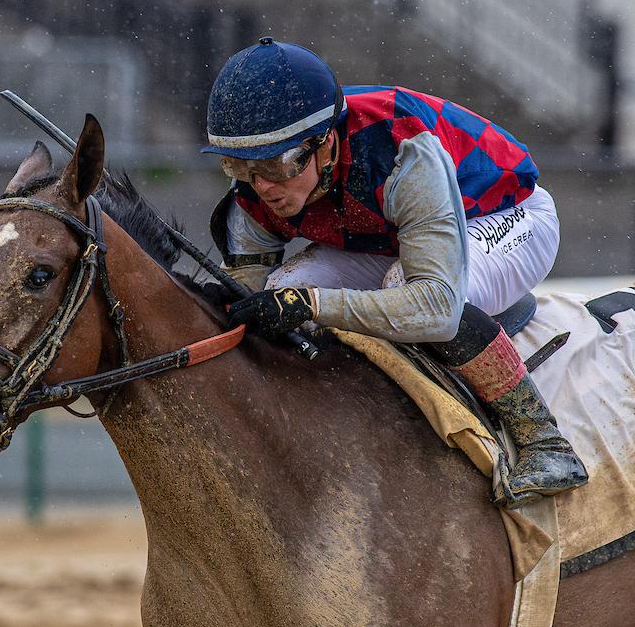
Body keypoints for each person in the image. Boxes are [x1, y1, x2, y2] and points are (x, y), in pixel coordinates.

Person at [203, 37, 586, 509]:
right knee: (284, 290)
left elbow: (436, 308)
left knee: (406, 294)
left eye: (278, 163)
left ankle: (545, 443)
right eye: (240, 165)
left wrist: (314, 306)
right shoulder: (255, 194)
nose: (263, 186)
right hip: (391, 236)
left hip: (505, 216)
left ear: (325, 143)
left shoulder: (403, 150)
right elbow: (249, 289)